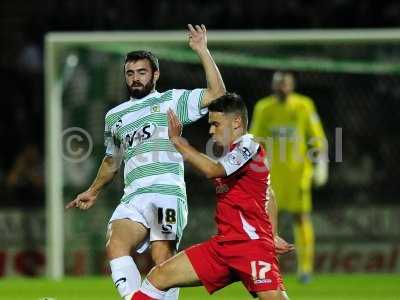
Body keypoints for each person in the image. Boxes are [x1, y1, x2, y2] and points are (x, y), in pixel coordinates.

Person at [65, 24, 226, 300]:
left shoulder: (172, 100)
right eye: (130, 73)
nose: (135, 79)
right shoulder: (114, 116)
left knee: (163, 259)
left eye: (141, 72)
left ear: (155, 74)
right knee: (116, 242)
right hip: (134, 197)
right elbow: (111, 160)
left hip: (167, 193)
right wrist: (93, 190)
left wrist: (202, 50)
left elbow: (217, 93)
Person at [131, 93, 294, 300]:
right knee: (158, 277)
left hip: (250, 247)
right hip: (223, 248)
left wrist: (178, 142)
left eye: (216, 124)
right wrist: (272, 234)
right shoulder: (234, 155)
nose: (211, 130)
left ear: (236, 122)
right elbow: (269, 194)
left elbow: (212, 170)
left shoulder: (249, 145)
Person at [250, 71, 328, 283]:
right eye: (279, 84)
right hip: (272, 175)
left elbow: (317, 137)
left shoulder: (304, 106)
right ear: (273, 86)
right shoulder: (264, 108)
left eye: (286, 84)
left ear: (292, 86)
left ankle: (305, 269)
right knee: (267, 223)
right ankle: (269, 268)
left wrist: (320, 163)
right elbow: (256, 140)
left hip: (298, 174)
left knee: (301, 218)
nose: (283, 88)